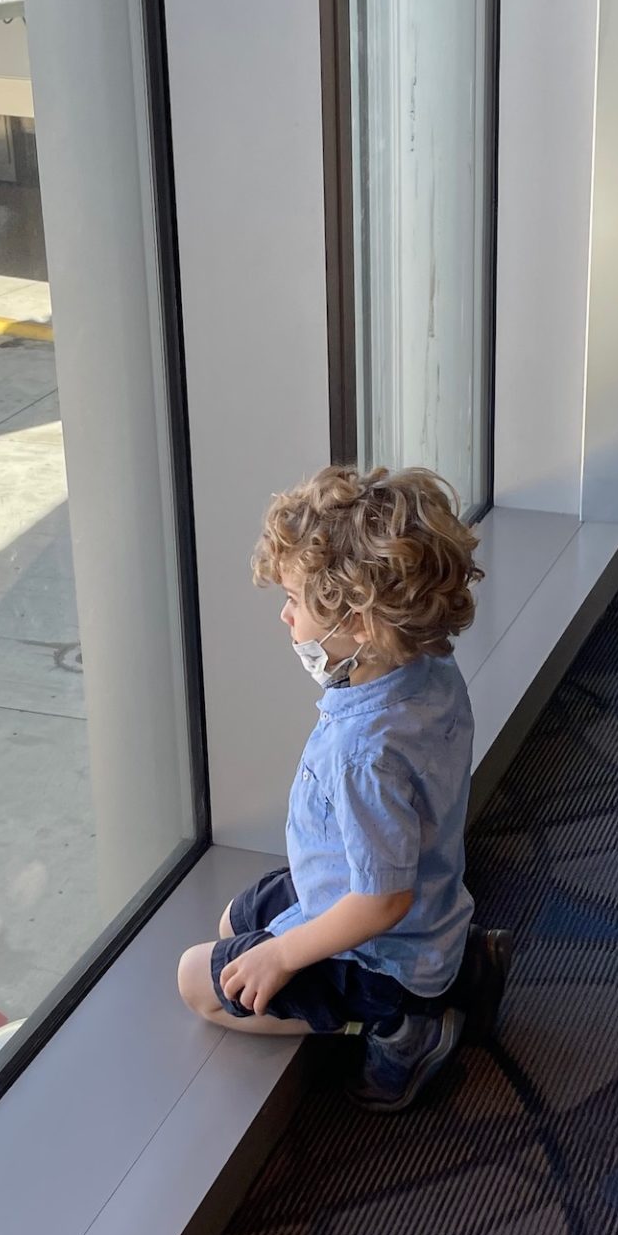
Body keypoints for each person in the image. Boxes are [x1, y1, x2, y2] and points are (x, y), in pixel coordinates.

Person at [176, 464, 512, 1110]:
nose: (285, 616)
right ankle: (454, 967)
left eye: (295, 602)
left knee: (197, 980)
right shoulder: (429, 668)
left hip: (384, 946)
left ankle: (404, 1026)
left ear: (358, 622)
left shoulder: (364, 752)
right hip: (403, 900)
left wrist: (284, 958)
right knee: (229, 928)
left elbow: (382, 902)